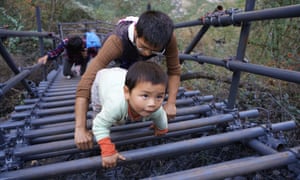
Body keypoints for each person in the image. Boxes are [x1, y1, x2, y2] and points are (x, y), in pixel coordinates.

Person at [75, 10, 181, 150]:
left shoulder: (166, 37)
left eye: (153, 51)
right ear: (136, 32)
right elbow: (85, 82)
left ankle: (134, 111)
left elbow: (174, 70)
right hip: (119, 59)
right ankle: (113, 114)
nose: (147, 53)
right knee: (117, 88)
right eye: (144, 47)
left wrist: (171, 103)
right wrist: (80, 128)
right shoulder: (116, 42)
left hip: (136, 61)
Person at [92, 61, 168, 168]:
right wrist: (108, 150)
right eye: (145, 96)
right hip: (103, 79)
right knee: (98, 110)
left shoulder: (155, 107)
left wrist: (161, 128)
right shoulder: (115, 105)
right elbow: (99, 125)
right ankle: (99, 115)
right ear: (127, 93)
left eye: (159, 97)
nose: (153, 104)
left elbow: (161, 116)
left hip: (121, 76)